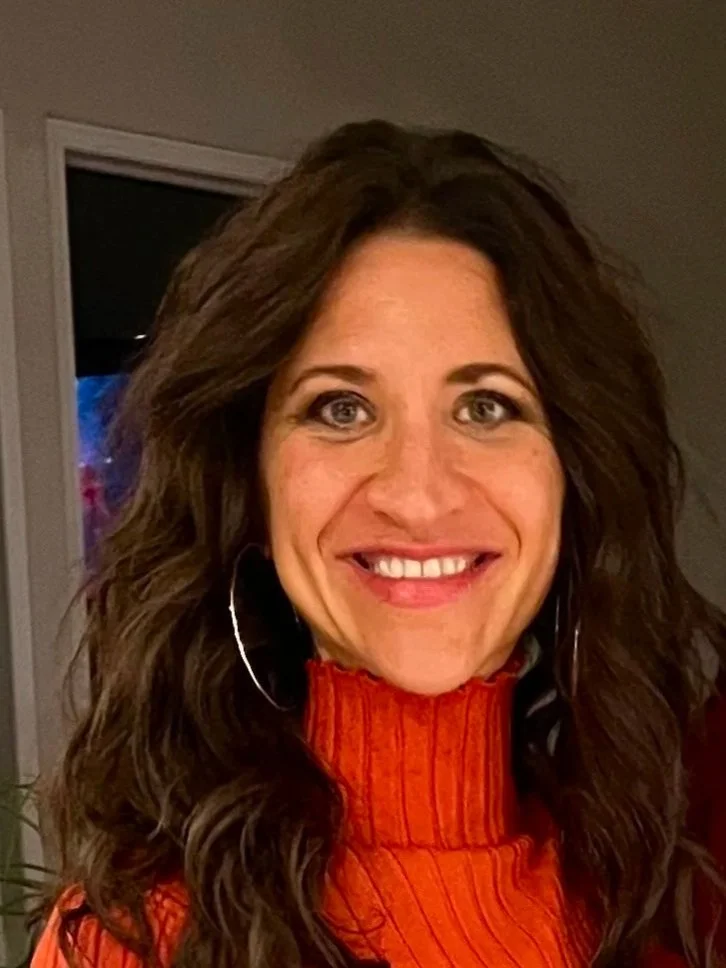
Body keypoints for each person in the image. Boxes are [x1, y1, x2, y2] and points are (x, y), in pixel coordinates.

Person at [31, 120, 725, 968]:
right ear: (250, 483)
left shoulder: (663, 906)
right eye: (340, 409)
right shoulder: (136, 938)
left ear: (573, 476)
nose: (417, 493)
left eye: (486, 407)